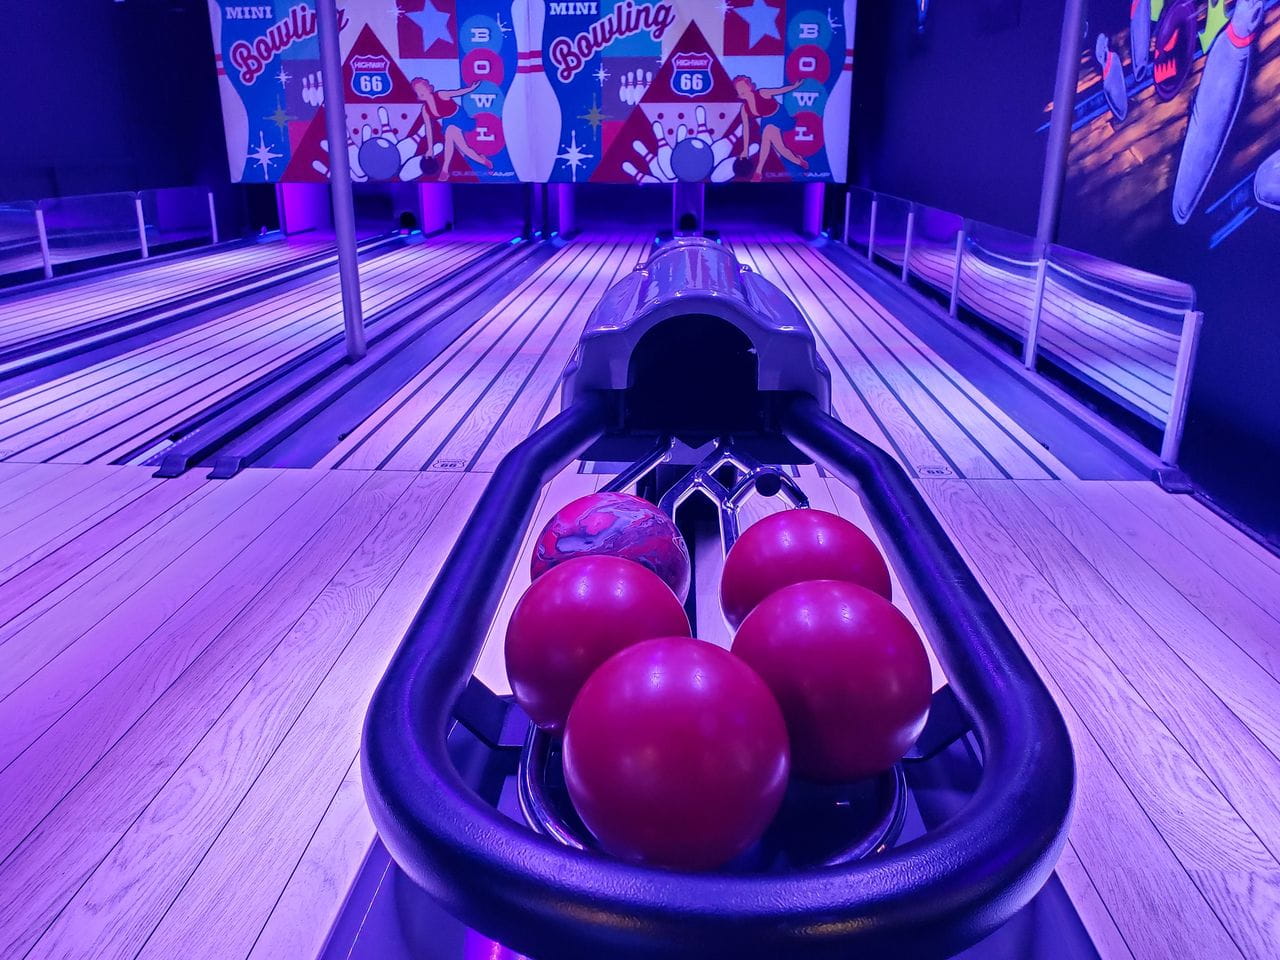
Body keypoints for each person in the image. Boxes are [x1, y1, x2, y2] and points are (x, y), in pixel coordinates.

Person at [410, 77, 493, 180]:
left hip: (459, 117)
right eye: (417, 91)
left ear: (428, 88)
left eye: (421, 89)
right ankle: (482, 160)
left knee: (453, 138)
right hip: (448, 122)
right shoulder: (425, 110)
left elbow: (457, 92)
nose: (420, 92)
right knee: (461, 146)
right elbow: (428, 129)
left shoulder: (441, 94)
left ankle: (445, 170)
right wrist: (430, 148)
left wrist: (471, 89)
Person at [733, 75, 807, 181]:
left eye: (743, 87)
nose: (741, 90)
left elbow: (780, 90)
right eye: (739, 89)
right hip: (767, 121)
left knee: (768, 134)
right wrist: (745, 150)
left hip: (780, 116)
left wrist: (794, 86)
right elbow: (745, 129)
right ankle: (798, 161)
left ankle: (758, 171)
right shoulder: (744, 109)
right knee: (780, 148)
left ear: (749, 87)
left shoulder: (762, 93)